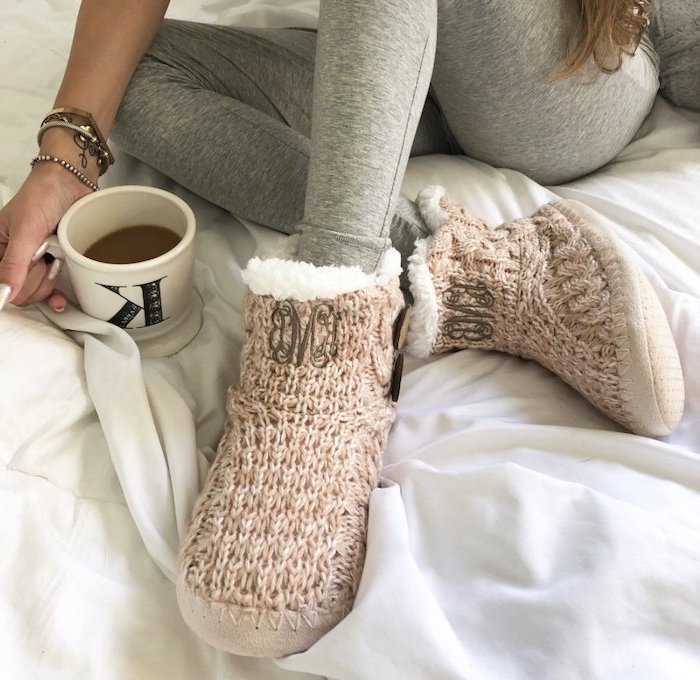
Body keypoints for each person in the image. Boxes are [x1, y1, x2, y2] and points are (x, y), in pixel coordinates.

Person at [0, 0, 695, 658]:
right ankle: (485, 279)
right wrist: (66, 161)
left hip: (567, 66)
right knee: (135, 76)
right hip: (402, 44)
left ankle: (328, 329)